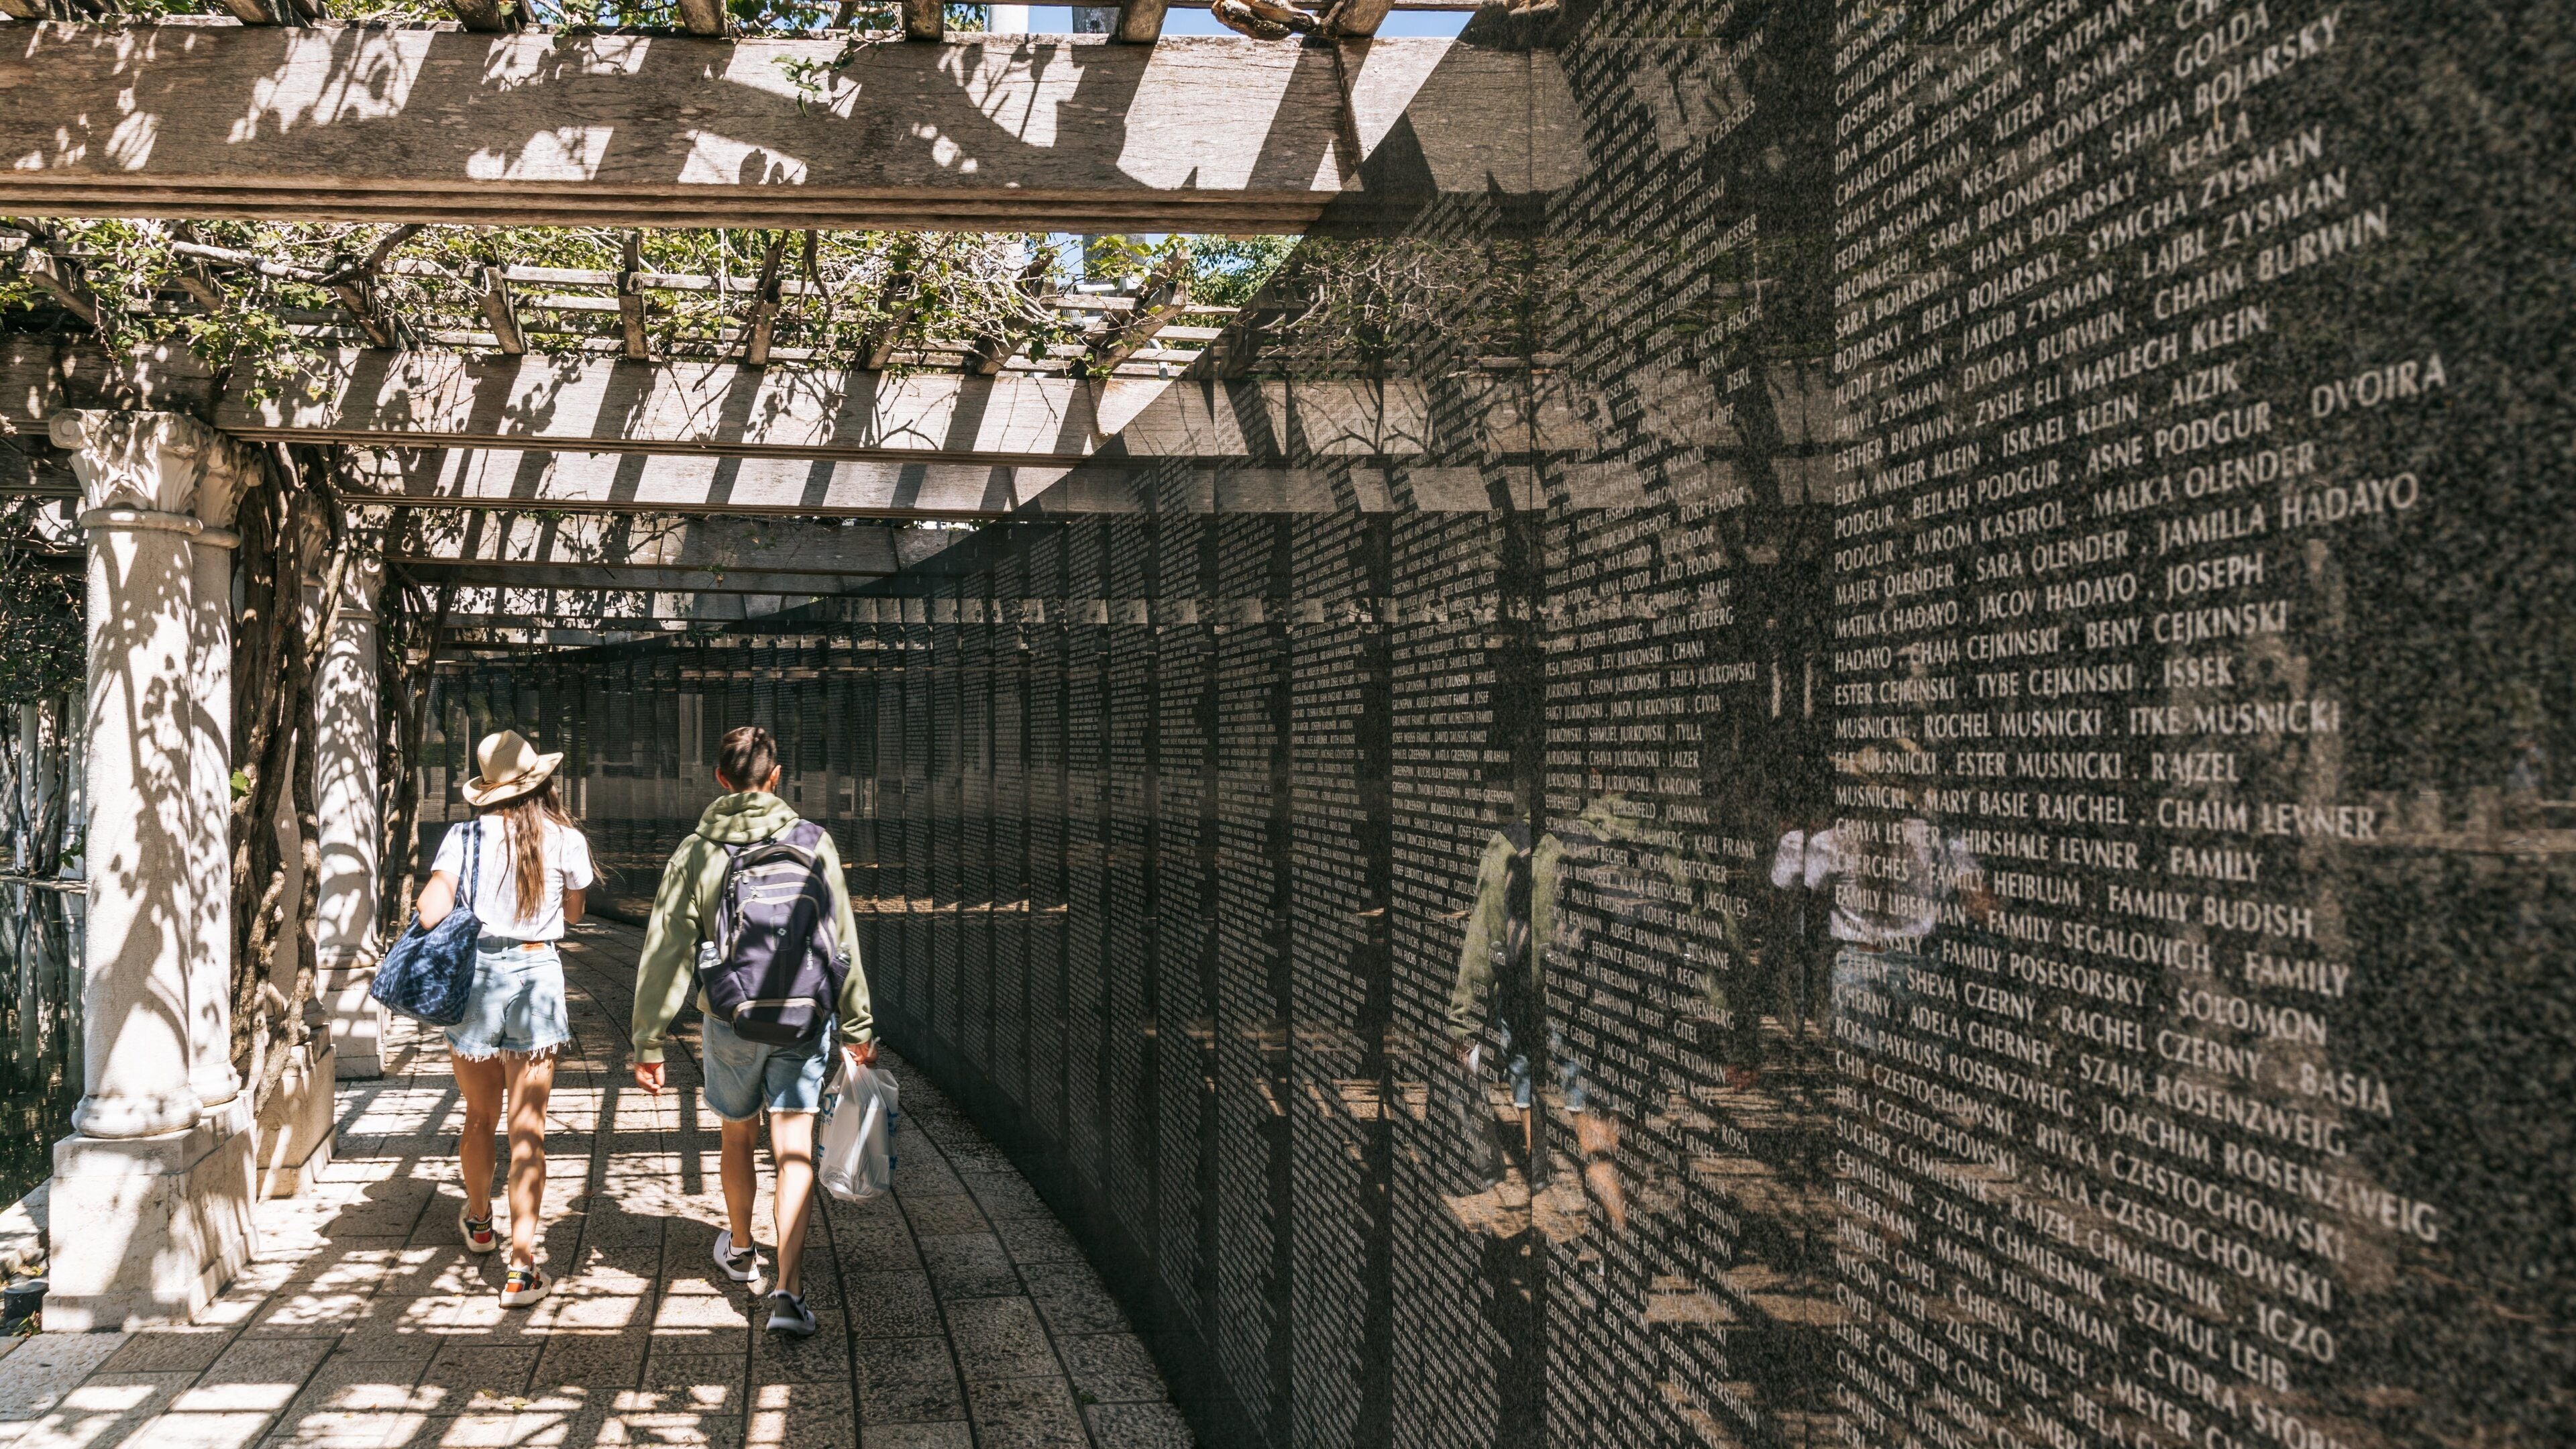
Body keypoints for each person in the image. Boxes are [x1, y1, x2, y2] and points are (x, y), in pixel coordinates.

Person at [631, 724, 875, 1338]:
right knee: (795, 1153)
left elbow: (667, 951)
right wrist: (858, 1025)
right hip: (803, 1020)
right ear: (776, 777)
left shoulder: (695, 851)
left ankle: (740, 1249)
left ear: (719, 779)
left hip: (729, 1020)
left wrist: (649, 1039)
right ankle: (788, 1293)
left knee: (736, 1136)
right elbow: (841, 939)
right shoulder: (815, 842)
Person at [415, 729, 596, 1308]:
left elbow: (429, 911)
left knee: (478, 1116)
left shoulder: (462, 836)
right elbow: (575, 909)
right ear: (540, 781)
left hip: (478, 980)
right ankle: (522, 1270)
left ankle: (479, 1221)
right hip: (537, 971)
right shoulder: (565, 837)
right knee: (529, 1130)